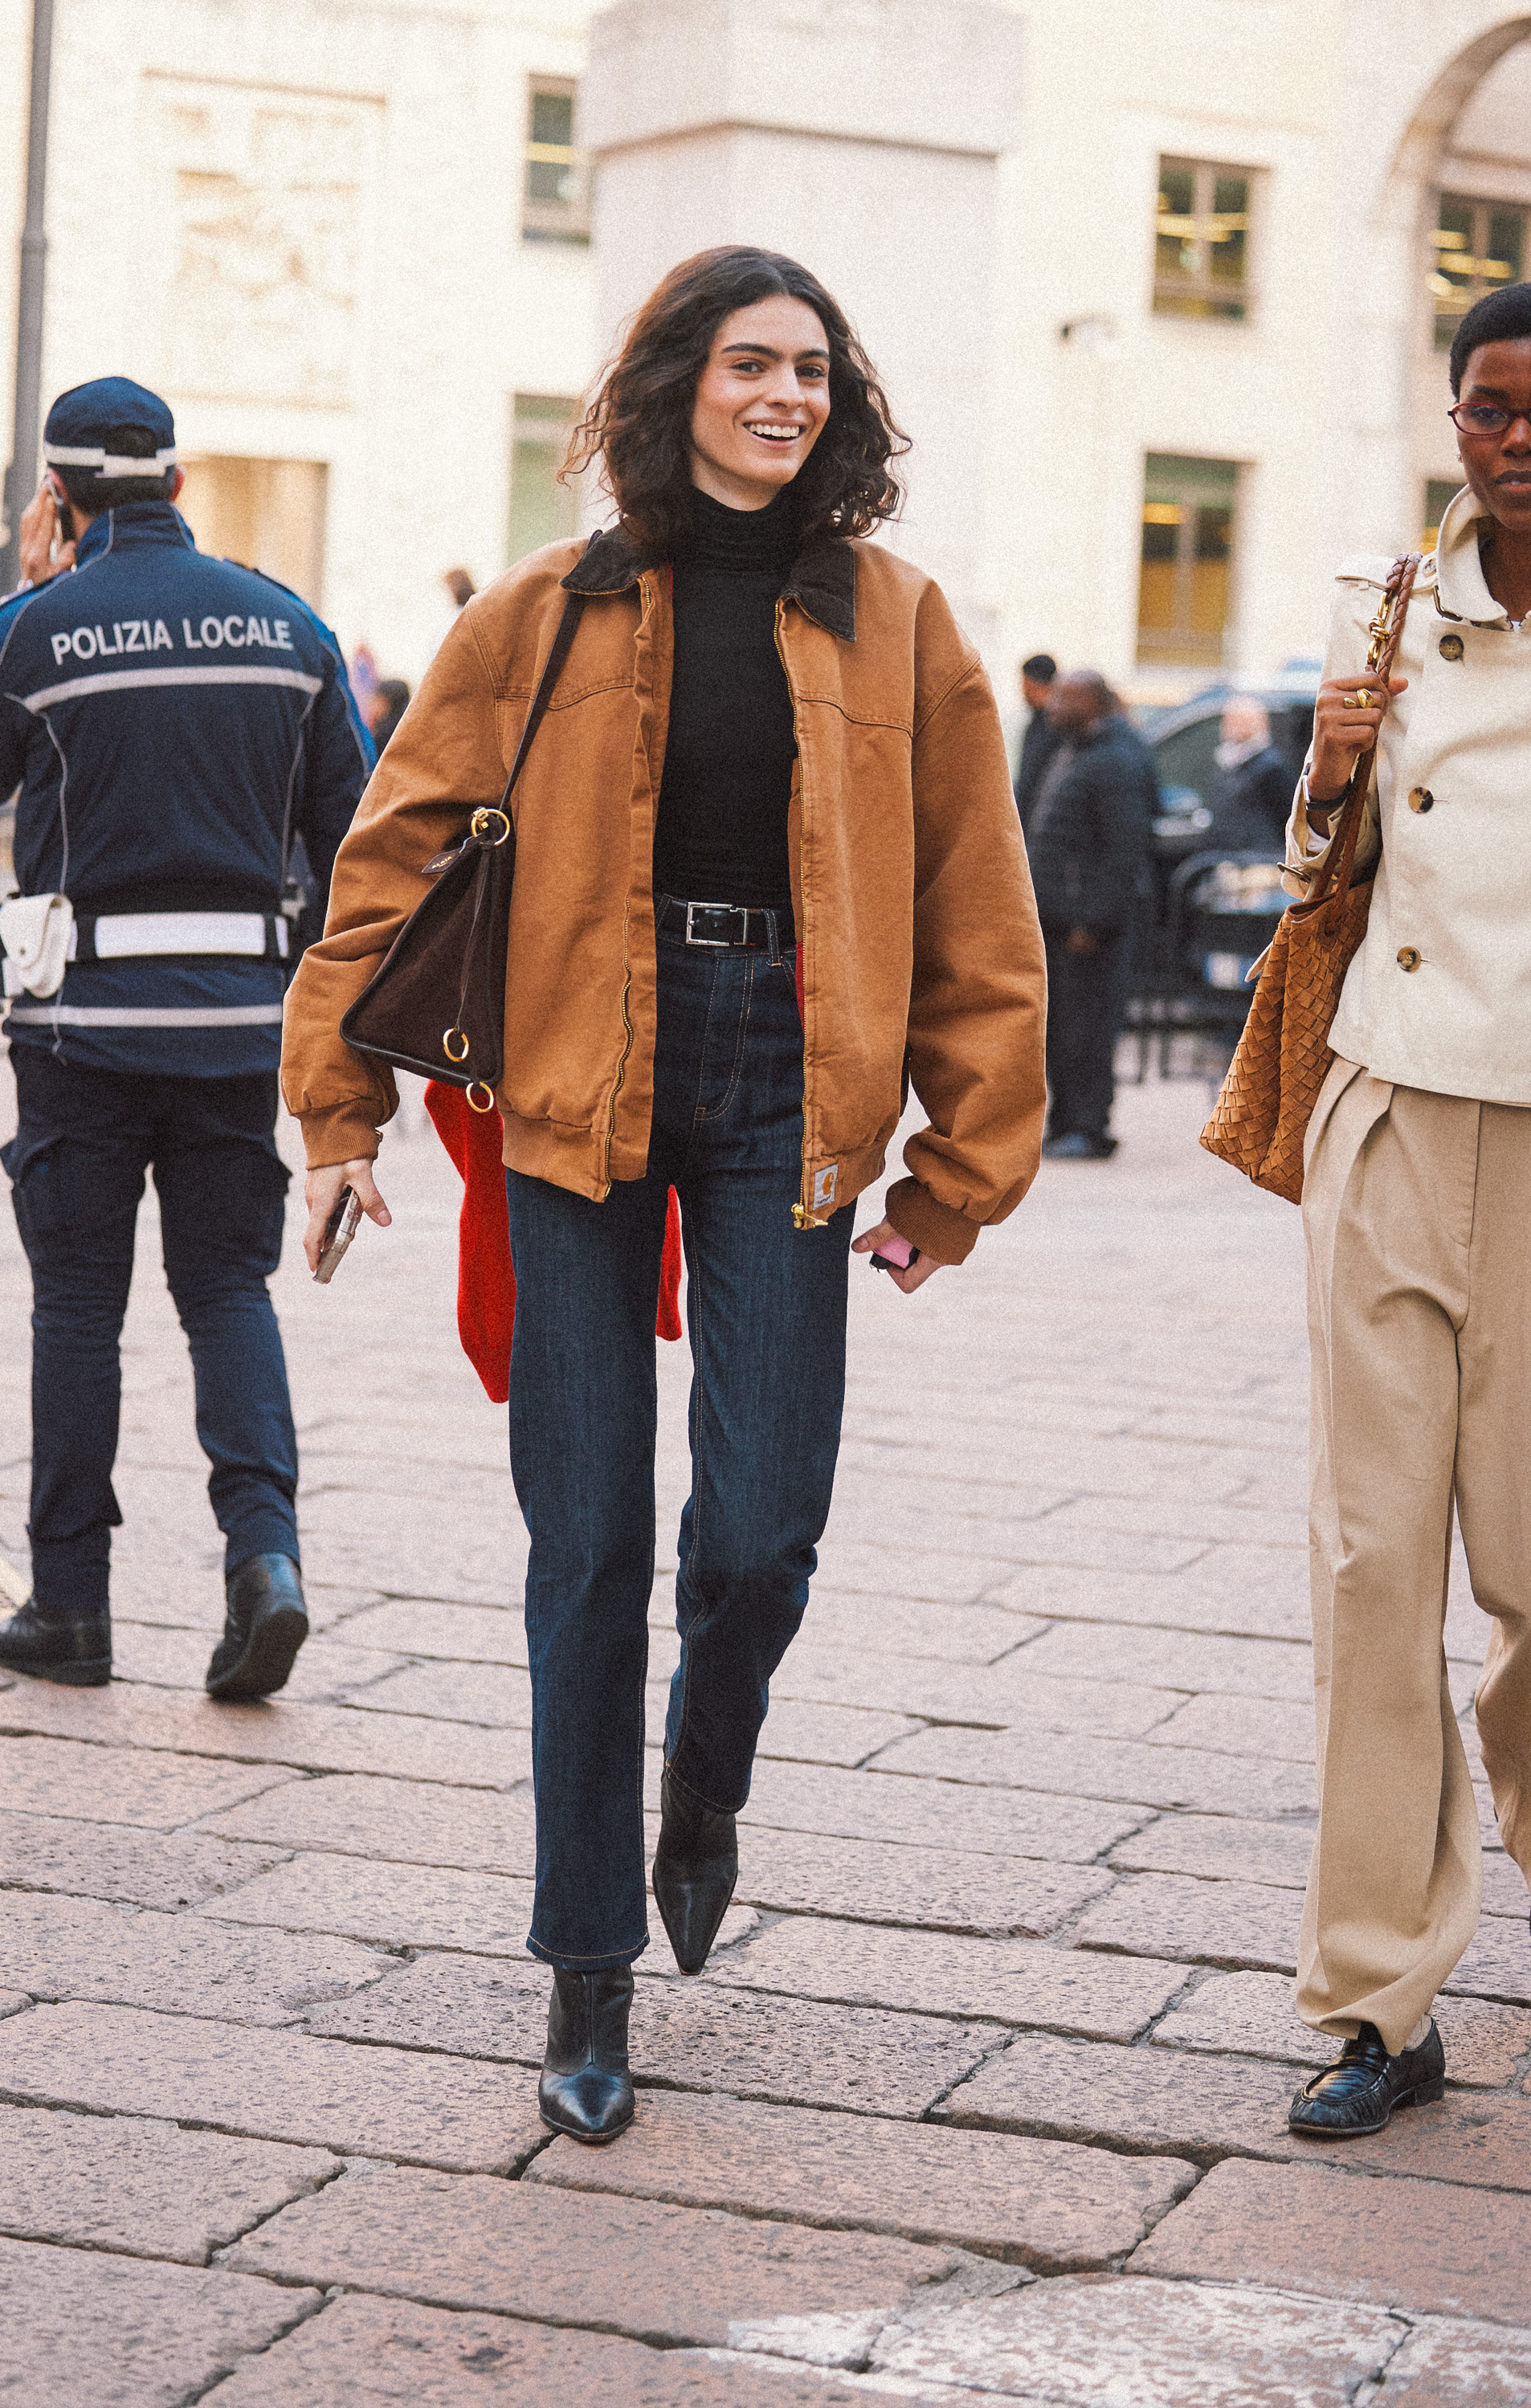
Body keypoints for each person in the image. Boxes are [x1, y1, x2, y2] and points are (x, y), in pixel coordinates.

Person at [283, 246, 1047, 2143]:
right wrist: (338, 1112)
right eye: (746, 365)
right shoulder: (545, 607)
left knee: (764, 1529)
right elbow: (384, 859)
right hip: (570, 1084)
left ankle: (702, 1777)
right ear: (671, 387)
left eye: (809, 370)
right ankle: (585, 1966)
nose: (782, 396)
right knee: (586, 1539)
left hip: (783, 1084)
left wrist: (960, 1166)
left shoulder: (897, 619)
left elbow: (974, 899)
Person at [0, 378, 370, 1694]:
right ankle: (267, 1561)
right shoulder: (292, 628)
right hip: (241, 1026)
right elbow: (350, 831)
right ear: (179, 481)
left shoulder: (37, 626)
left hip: (80, 1029)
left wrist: (28, 586)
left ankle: (71, 1607)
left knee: (77, 1306)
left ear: (59, 496)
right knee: (228, 1291)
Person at [1282, 280, 1531, 2138]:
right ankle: (1380, 1992)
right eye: (1481, 408)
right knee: (1374, 1568)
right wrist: (1324, 763)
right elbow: (1314, 873)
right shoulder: (1389, 609)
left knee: (1525, 1576)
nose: (1506, 435)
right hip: (1385, 1113)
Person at [1024, 669, 1154, 1159]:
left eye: (1066, 697)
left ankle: (1089, 1127)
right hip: (1058, 920)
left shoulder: (1116, 760)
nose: (1054, 704)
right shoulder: (1068, 748)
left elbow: (1124, 852)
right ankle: (1066, 1124)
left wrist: (1093, 922)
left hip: (1089, 929)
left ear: (1092, 703)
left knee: (1088, 1032)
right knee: (1061, 1030)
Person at [1205, 696, 1295, 855]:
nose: (1232, 726)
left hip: (1259, 860)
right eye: (1229, 720)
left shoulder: (1271, 765)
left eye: (1241, 720)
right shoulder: (1224, 762)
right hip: (1224, 857)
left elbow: (1287, 817)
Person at [1012, 651, 1059, 826]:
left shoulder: (1056, 725)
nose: (1023, 692)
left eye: (1026, 686)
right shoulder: (1038, 720)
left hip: (1041, 818)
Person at [365, 677, 410, 757]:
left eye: (377, 699)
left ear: (386, 702)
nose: (371, 704)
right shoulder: (408, 729)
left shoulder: (384, 735)